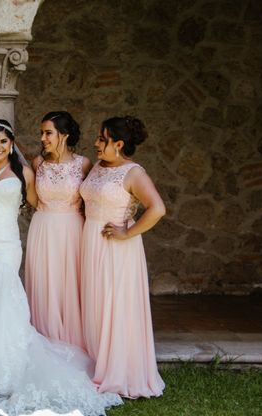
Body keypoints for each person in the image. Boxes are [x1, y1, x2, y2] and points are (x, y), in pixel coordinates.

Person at [0, 119, 121, 416]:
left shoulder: (26, 171)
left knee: (2, 300)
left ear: (12, 144)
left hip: (4, 241)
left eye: (4, 142)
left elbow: (35, 202)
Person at [80, 116, 166, 399]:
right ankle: (97, 361)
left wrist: (126, 232)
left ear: (118, 144)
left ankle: (120, 370)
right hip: (91, 241)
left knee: (114, 306)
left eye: (102, 139)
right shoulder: (98, 167)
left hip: (117, 247)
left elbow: (157, 209)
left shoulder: (134, 173)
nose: (96, 143)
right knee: (95, 304)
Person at [26, 111, 92, 347]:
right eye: (42, 133)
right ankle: (46, 339)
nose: (43, 138)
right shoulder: (38, 164)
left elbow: (89, 200)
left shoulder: (83, 164)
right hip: (43, 226)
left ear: (63, 135)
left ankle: (73, 340)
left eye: (48, 133)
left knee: (70, 284)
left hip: (72, 228)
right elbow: (33, 199)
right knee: (44, 283)